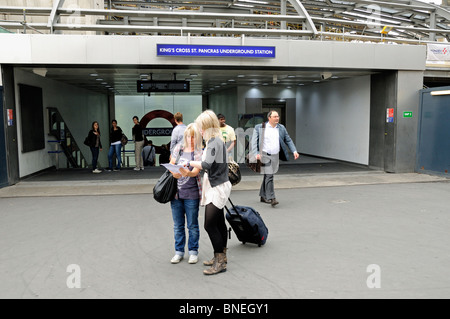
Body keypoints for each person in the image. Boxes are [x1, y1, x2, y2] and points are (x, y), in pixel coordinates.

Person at [185, 110, 231, 276]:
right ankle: (220, 257)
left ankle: (219, 262)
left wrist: (189, 162)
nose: (200, 131)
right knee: (218, 223)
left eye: (201, 128)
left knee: (210, 224)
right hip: (218, 185)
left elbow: (206, 165)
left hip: (216, 187)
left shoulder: (213, 142)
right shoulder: (217, 141)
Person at [168, 124, 203, 264]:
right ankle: (179, 252)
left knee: (192, 225)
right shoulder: (179, 148)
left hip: (192, 193)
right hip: (176, 193)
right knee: (178, 225)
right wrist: (174, 172)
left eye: (194, 137)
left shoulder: (199, 152)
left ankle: (193, 251)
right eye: (189, 136)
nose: (191, 139)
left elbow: (196, 171)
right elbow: (171, 163)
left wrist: (188, 173)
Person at [251, 110, 299, 207]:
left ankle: (262, 195)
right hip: (264, 155)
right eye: (275, 116)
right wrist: (255, 153)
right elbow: (254, 141)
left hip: (275, 155)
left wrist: (294, 151)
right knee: (270, 175)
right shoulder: (259, 127)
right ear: (269, 118)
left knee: (267, 175)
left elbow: (288, 139)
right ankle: (272, 198)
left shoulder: (281, 128)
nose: (277, 118)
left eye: (278, 116)